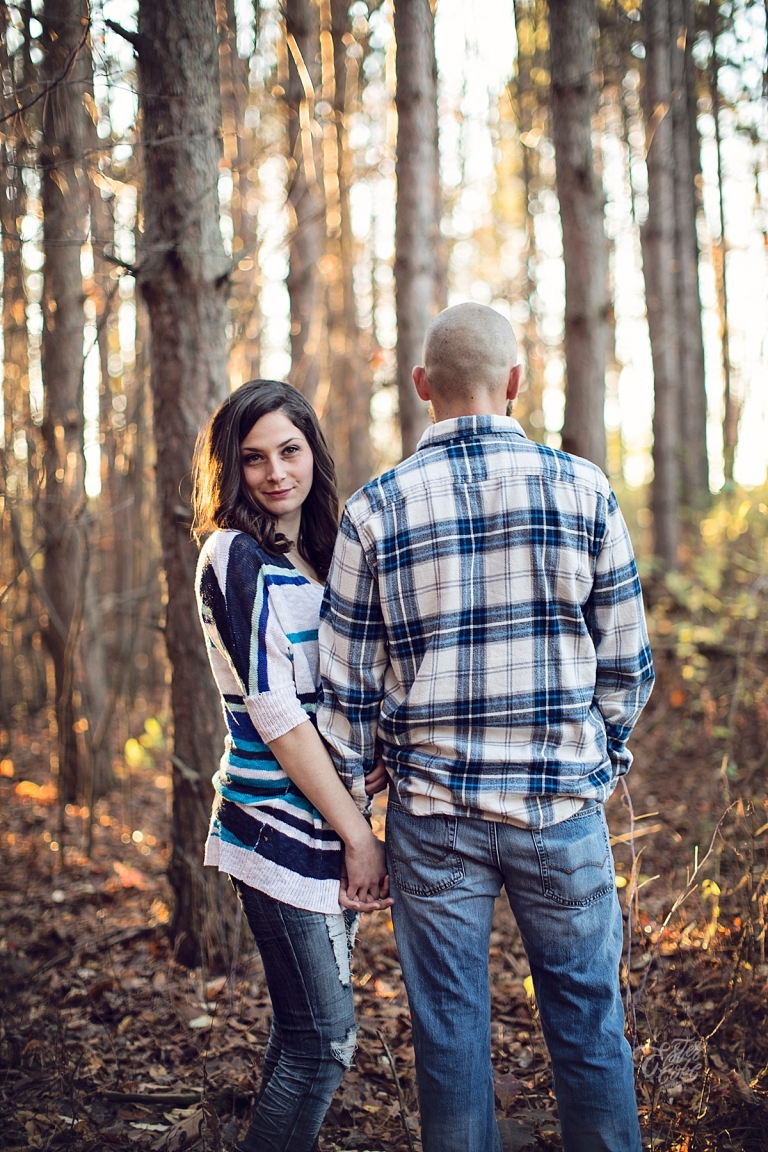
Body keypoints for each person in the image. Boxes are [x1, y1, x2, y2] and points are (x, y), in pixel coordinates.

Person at [317, 303, 655, 1152]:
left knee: (452, 1041)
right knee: (588, 1029)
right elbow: (628, 666)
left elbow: (344, 697)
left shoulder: (372, 511)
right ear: (515, 382)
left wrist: (367, 784)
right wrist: (595, 764)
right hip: (559, 809)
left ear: (423, 386)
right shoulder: (585, 489)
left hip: (433, 822)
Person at [191, 379, 391, 1152]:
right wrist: (360, 835)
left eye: (290, 450)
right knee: (324, 1044)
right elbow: (275, 712)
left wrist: (366, 763)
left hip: (330, 816)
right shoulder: (233, 554)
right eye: (253, 459)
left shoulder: (328, 552)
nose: (275, 472)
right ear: (230, 469)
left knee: (300, 1033)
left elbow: (342, 686)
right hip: (275, 824)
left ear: (313, 451)